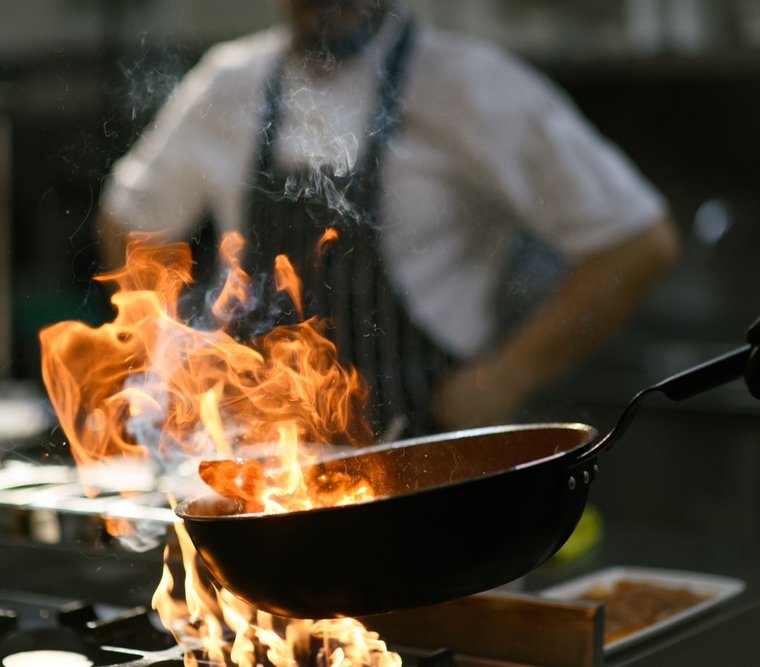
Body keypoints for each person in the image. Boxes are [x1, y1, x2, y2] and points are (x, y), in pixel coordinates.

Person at [97, 0, 680, 439]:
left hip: (425, 463)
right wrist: (174, 352)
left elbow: (636, 243)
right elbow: (130, 223)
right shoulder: (228, 84)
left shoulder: (473, 86)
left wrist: (504, 381)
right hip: (270, 477)